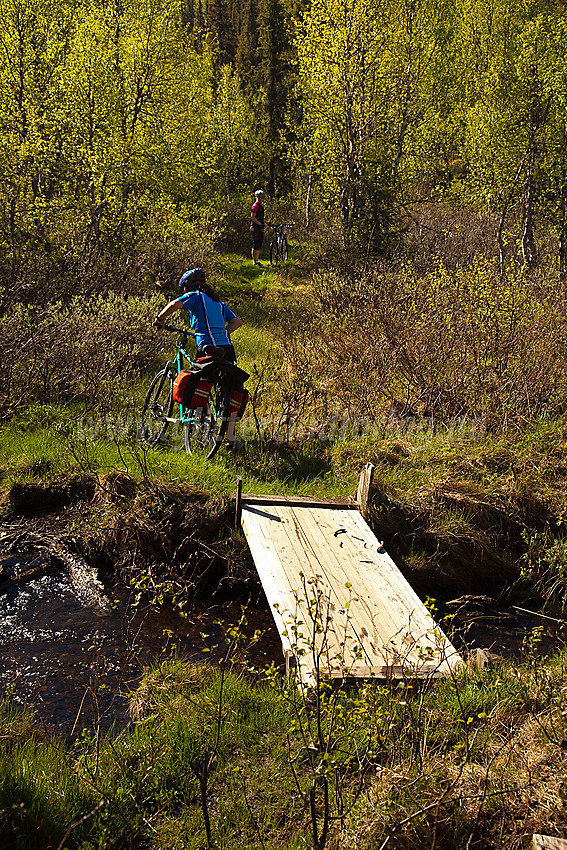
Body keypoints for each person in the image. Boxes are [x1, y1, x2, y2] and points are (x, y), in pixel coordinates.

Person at [154, 268, 244, 448]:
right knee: (229, 390)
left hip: (207, 347)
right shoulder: (218, 302)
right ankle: (231, 440)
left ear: (186, 287)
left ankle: (201, 420)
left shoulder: (194, 296)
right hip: (226, 348)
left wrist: (160, 319)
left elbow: (174, 304)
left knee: (200, 383)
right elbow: (237, 322)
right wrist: (222, 333)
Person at [250, 189, 265, 266]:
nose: (260, 199)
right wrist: (259, 224)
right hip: (255, 227)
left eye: (261, 197)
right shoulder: (255, 206)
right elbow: (253, 217)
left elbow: (261, 218)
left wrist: (267, 222)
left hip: (260, 227)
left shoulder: (261, 206)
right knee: (256, 243)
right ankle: (255, 261)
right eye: (258, 197)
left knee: (259, 244)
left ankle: (256, 260)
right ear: (256, 197)